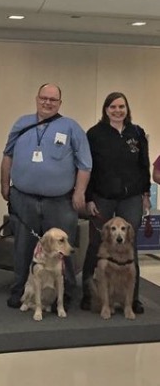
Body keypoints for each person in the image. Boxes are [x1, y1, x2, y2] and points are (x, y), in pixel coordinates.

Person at [0, 83, 92, 309]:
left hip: (60, 202)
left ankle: (66, 292)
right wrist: (4, 184)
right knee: (23, 247)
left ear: (60, 103)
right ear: (36, 99)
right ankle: (21, 290)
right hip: (23, 199)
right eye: (44, 98)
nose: (47, 102)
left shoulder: (71, 127)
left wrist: (79, 192)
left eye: (53, 99)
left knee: (63, 249)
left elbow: (85, 165)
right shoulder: (21, 124)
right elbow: (7, 155)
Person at [80, 92, 150, 314]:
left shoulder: (137, 133)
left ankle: (133, 298)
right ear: (105, 109)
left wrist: (146, 194)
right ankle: (89, 294)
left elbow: (143, 165)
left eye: (121, 107)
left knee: (130, 243)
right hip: (102, 197)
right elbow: (87, 167)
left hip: (131, 198)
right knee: (95, 245)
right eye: (113, 107)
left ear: (127, 109)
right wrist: (89, 198)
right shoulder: (94, 134)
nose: (117, 111)